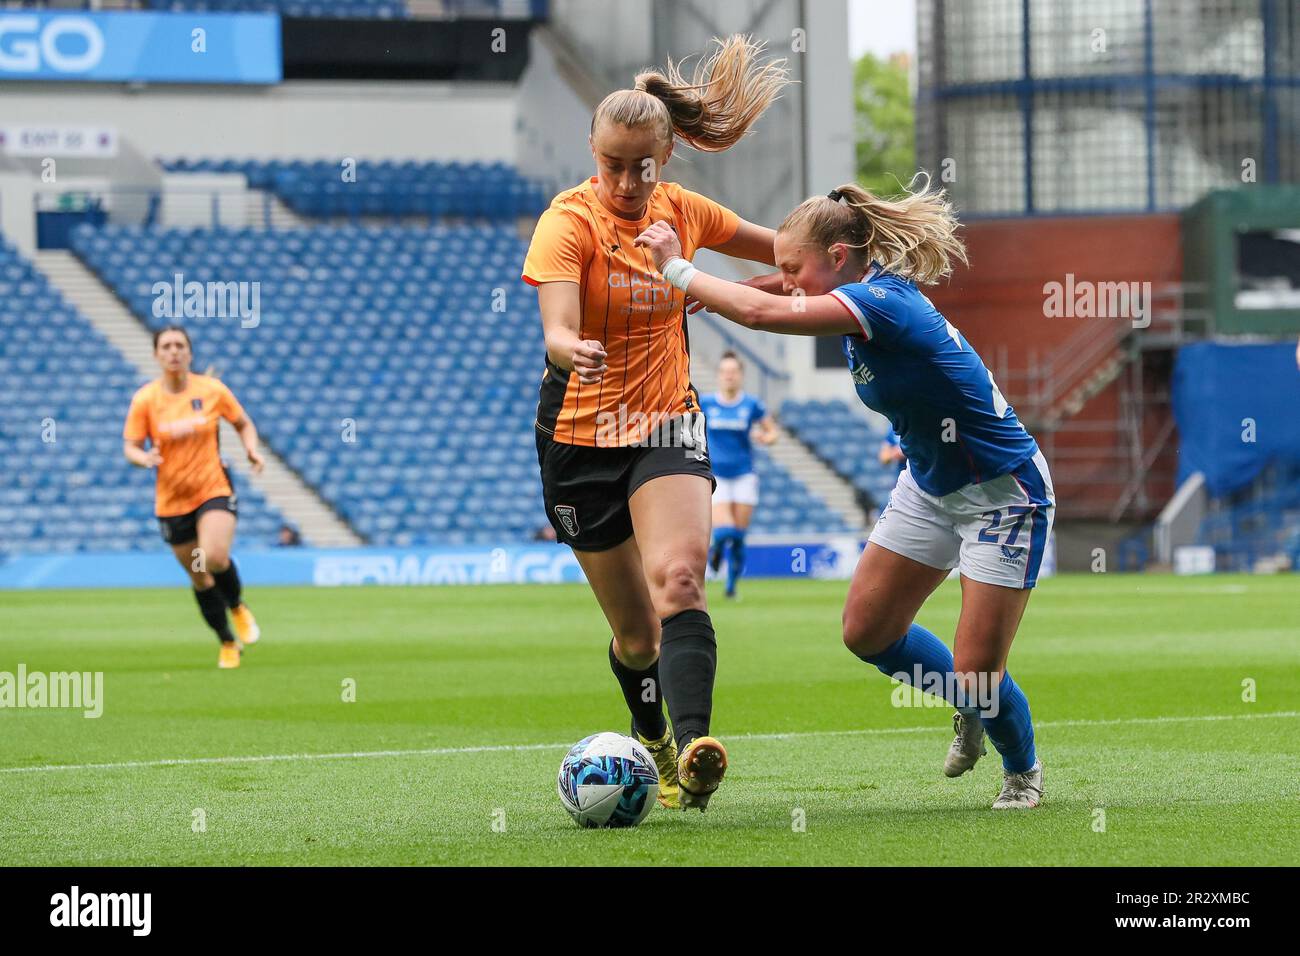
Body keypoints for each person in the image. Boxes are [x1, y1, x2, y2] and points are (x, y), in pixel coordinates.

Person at [634, 177, 1054, 809]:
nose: (786, 279)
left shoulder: (883, 304)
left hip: (1002, 494)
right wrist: (743, 288)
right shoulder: (848, 282)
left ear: (838, 258)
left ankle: (1021, 770)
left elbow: (767, 313)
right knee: (867, 632)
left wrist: (678, 269)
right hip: (930, 484)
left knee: (978, 673)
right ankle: (970, 700)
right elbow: (775, 292)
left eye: (793, 268)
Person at [522, 34, 789, 810]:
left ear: (667, 155)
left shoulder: (686, 211)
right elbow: (556, 329)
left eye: (644, 164)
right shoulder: (566, 221)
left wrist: (830, 255)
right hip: (578, 437)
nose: (628, 180)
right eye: (612, 164)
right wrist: (576, 350)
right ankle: (657, 745)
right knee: (636, 638)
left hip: (666, 423)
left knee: (679, 579)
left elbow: (783, 256)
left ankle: (699, 745)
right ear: (592, 152)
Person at [123, 325, 264, 669]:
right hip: (172, 502)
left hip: (211, 488)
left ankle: (237, 605)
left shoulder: (212, 390)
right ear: (156, 355)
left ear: (189, 353)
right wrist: (144, 459)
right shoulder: (146, 400)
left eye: (180, 345)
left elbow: (243, 422)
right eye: (166, 346)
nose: (173, 351)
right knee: (200, 575)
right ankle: (228, 641)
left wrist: (251, 449)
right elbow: (130, 445)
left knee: (213, 557)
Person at [700, 351, 777, 598]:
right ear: (718, 376)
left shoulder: (751, 404)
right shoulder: (707, 403)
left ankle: (731, 587)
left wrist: (765, 437)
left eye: (733, 372)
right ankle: (715, 553)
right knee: (725, 531)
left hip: (744, 474)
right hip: (718, 476)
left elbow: (772, 432)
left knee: (740, 537)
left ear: (741, 375)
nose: (729, 376)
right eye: (725, 372)